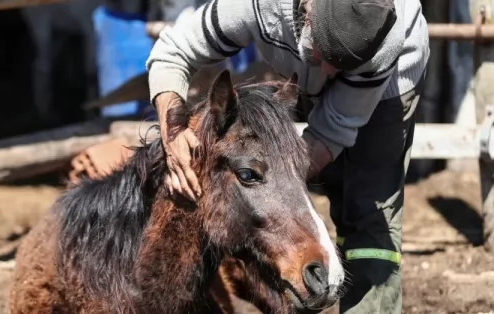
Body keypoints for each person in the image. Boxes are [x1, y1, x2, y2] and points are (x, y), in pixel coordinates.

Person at [70, 0, 429, 312]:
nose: (332, 74)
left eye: (340, 65)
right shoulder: (253, 6)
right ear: (305, 18)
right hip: (300, 61)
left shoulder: (381, 51)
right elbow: (172, 52)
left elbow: (334, 129)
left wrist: (276, 189)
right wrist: (174, 135)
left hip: (387, 85)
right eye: (326, 58)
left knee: (367, 212)